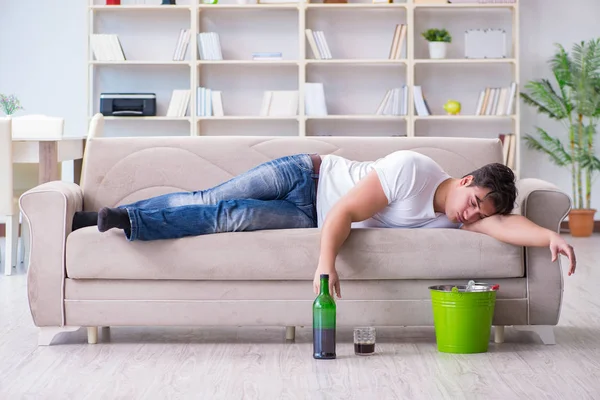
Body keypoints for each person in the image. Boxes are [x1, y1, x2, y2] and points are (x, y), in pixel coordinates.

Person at [72, 150, 577, 297]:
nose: (471, 215)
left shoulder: (458, 221)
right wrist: (324, 265)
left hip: (303, 214)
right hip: (304, 176)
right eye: (474, 201)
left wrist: (550, 234)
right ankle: (112, 216)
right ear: (465, 179)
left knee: (224, 217)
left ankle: (125, 223)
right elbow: (343, 214)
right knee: (212, 197)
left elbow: (508, 228)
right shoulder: (413, 171)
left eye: (480, 213)